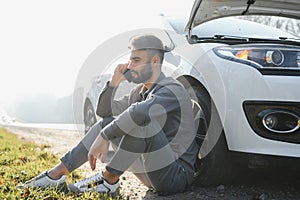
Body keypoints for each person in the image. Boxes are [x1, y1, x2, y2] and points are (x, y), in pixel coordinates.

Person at [19, 34, 198, 196]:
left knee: (142, 123)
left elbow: (139, 113)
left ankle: (108, 180)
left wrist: (104, 137)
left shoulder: (172, 89)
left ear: (155, 61)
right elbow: (105, 113)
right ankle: (56, 174)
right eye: (130, 60)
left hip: (175, 175)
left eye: (136, 60)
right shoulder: (138, 92)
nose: (130, 66)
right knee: (110, 122)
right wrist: (114, 83)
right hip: (149, 172)